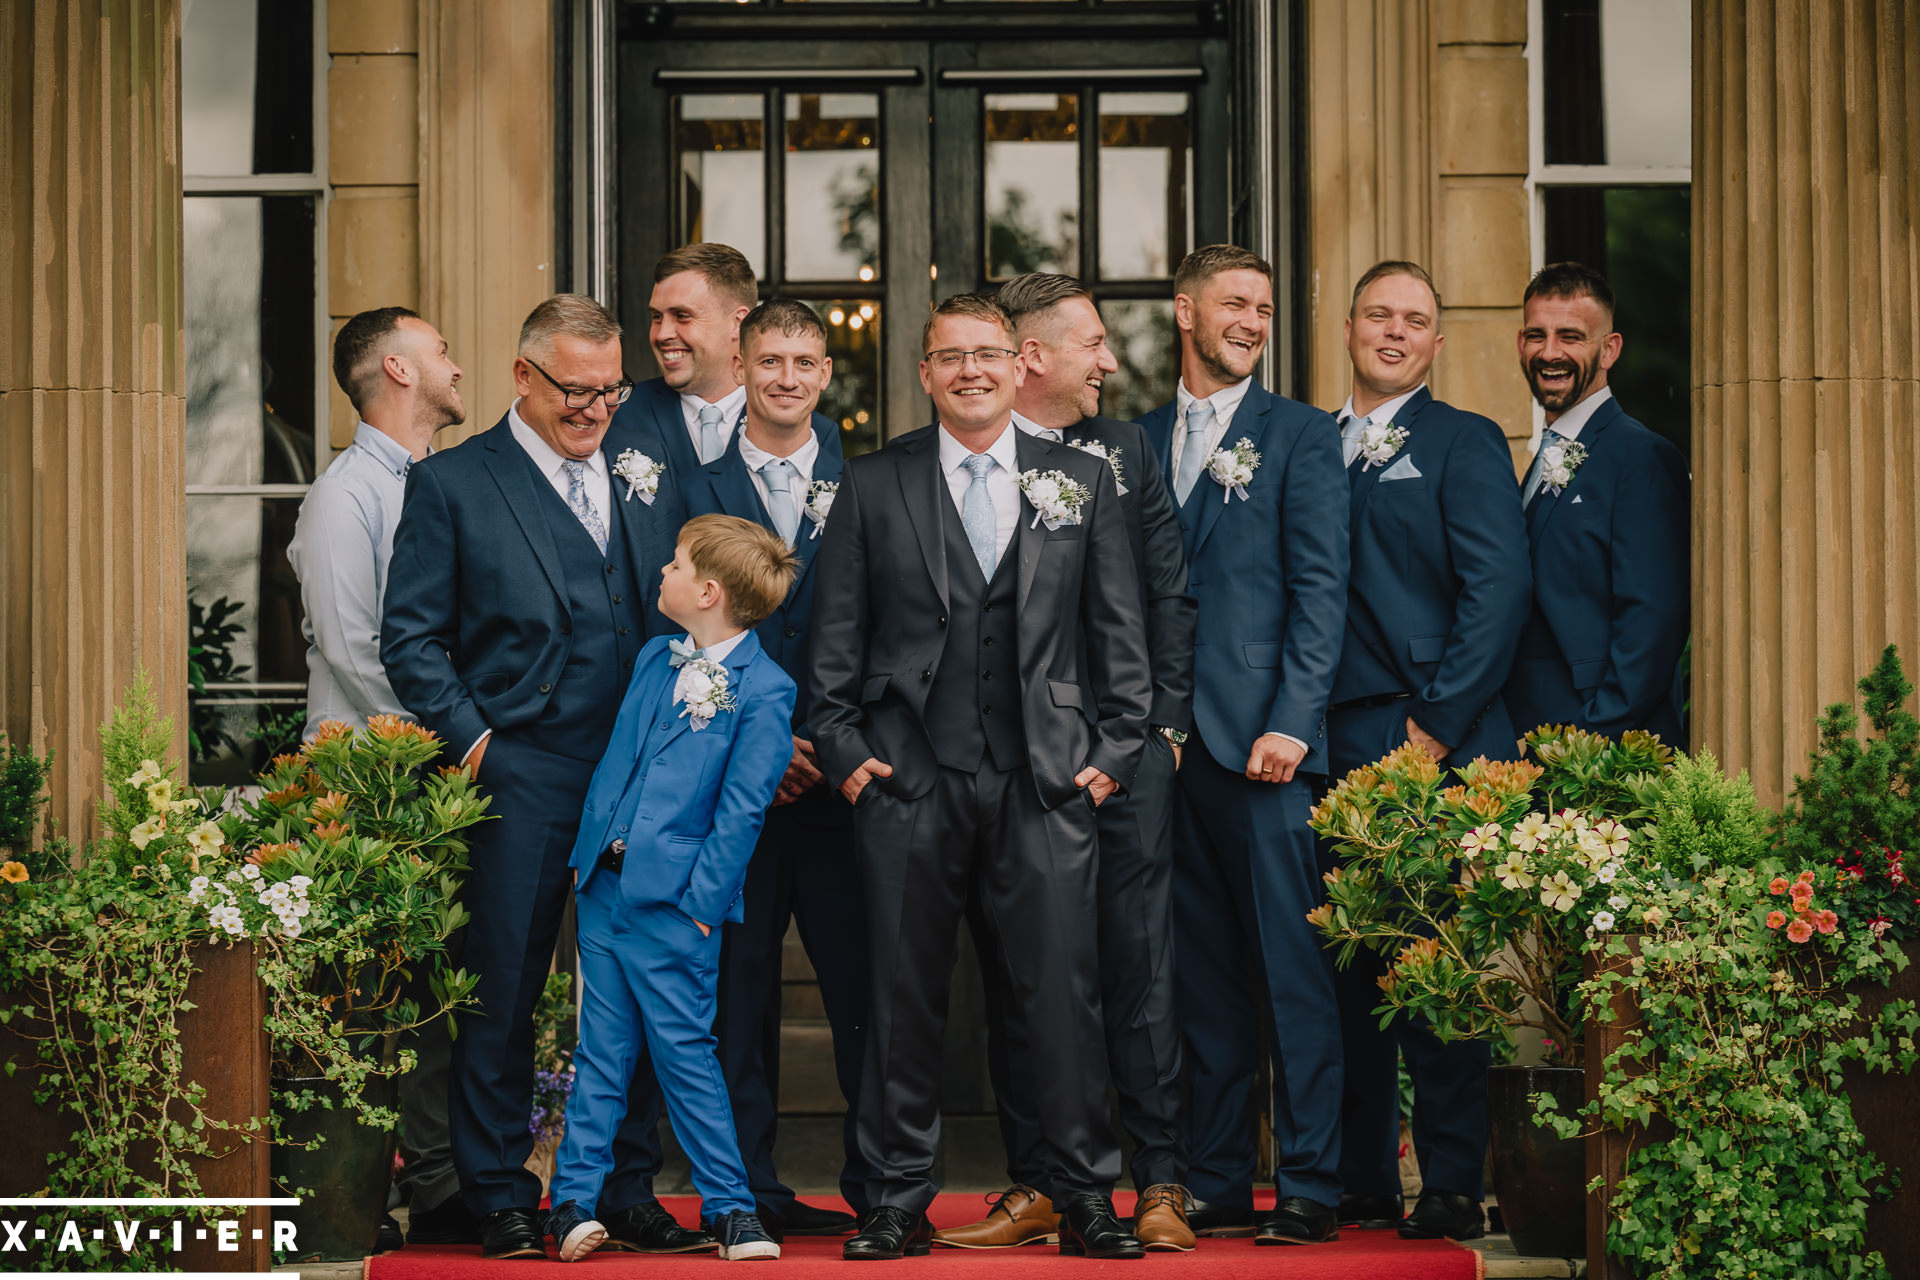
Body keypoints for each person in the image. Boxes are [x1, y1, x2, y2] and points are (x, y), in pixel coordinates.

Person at [809, 293, 1154, 1261]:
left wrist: (1112, 754)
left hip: (1046, 779)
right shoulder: (873, 484)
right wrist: (845, 755)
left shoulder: (1080, 477)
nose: (970, 369)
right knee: (900, 996)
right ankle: (894, 1196)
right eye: (949, 355)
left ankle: (1082, 1189)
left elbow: (1119, 631)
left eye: (987, 354)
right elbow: (832, 644)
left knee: (1062, 995)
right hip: (908, 780)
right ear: (922, 372)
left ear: (1019, 363)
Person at [382, 294, 710, 1260]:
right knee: (503, 986)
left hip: (638, 771)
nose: (596, 409)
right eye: (575, 389)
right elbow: (411, 638)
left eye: (609, 390)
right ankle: (498, 1194)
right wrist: (480, 746)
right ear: (523, 376)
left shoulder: (648, 472)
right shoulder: (452, 484)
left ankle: (626, 1185)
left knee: (634, 982)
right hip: (518, 769)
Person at [928, 273, 1197, 1252]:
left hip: (1120, 765)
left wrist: (1152, 736)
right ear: (1032, 355)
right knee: (1019, 974)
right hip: (1016, 774)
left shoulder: (1125, 452)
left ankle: (1161, 1177)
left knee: (1137, 967)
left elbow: (1167, 597)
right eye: (1093, 342)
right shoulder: (969, 461)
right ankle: (1037, 1178)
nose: (1111, 362)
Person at [1135, 244, 1350, 1246]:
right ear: (1186, 310)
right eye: (1235, 303)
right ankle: (1217, 1174)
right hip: (1168, 758)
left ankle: (1309, 1177)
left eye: (1265, 307)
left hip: (1262, 749)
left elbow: (1321, 590)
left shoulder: (1300, 436)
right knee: (1203, 979)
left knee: (1293, 968)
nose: (1253, 321)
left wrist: (1293, 721)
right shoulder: (1137, 440)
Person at [1321, 261, 1532, 1242]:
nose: (1395, 332)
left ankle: (1449, 1178)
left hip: (1430, 737)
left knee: (1434, 961)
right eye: (1380, 315)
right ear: (1349, 325)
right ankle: (1363, 1174)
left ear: (1436, 342)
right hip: (1329, 743)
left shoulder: (1464, 441)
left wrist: (1437, 722)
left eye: (1416, 320)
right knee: (1347, 964)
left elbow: (1498, 591)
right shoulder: (1307, 441)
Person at [545, 514, 802, 1265]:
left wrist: (701, 909)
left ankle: (732, 1210)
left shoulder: (766, 690)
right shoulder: (657, 658)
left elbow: (743, 811)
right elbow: (618, 760)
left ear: (710, 591)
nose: (663, 571)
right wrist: (584, 857)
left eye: (678, 564)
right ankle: (570, 1205)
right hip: (604, 893)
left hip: (677, 907)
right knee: (600, 1054)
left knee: (687, 1054)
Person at [289, 306, 475, 1251]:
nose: (454, 361)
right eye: (439, 349)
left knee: (437, 993)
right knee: (373, 998)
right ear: (398, 371)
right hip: (367, 781)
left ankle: (441, 1177)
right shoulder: (343, 497)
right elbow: (357, 647)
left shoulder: (436, 483)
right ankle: (373, 1190)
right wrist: (455, 739)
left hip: (431, 780)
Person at [684, 298, 869, 1236]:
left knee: (861, 992)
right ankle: (743, 1190)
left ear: (826, 375)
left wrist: (825, 744)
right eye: (771, 361)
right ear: (743, 367)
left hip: (840, 792)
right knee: (734, 998)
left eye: (805, 362)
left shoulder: (873, 480)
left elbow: (893, 628)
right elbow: (673, 627)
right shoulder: (694, 477)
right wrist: (756, 747)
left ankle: (879, 1187)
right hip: (727, 794)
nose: (788, 378)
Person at [1503, 262, 1689, 745]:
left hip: (1604, 750)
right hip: (1538, 741)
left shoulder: (1643, 457)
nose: (1550, 353)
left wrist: (1588, 738)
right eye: (1536, 335)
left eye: (1570, 336)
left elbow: (1653, 621)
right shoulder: (1542, 455)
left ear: (1609, 349)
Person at [613, 242, 842, 475]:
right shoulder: (620, 412)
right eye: (656, 317)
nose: (662, 334)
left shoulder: (818, 432)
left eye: (682, 316)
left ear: (738, 323)